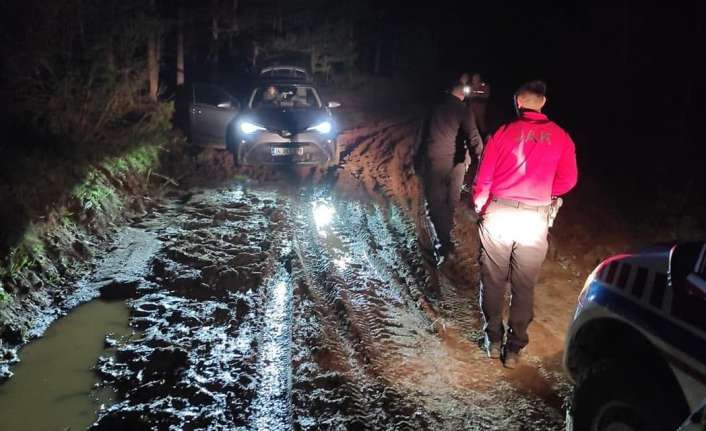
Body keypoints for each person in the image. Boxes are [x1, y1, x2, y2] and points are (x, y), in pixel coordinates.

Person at [472, 80, 577, 368]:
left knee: (493, 280)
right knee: (524, 284)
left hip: (500, 214)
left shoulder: (503, 133)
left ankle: (493, 339)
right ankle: (515, 348)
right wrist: (546, 192)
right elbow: (569, 180)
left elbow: (483, 179)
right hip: (534, 218)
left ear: (518, 103)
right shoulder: (561, 137)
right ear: (543, 103)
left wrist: (480, 205)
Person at [420, 82, 483, 264]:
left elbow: (422, 135)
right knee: (450, 203)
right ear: (461, 93)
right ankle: (445, 242)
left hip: (435, 162)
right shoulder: (463, 110)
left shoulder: (434, 107)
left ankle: (444, 244)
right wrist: (481, 158)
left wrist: (416, 158)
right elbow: (473, 136)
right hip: (458, 165)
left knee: (434, 204)